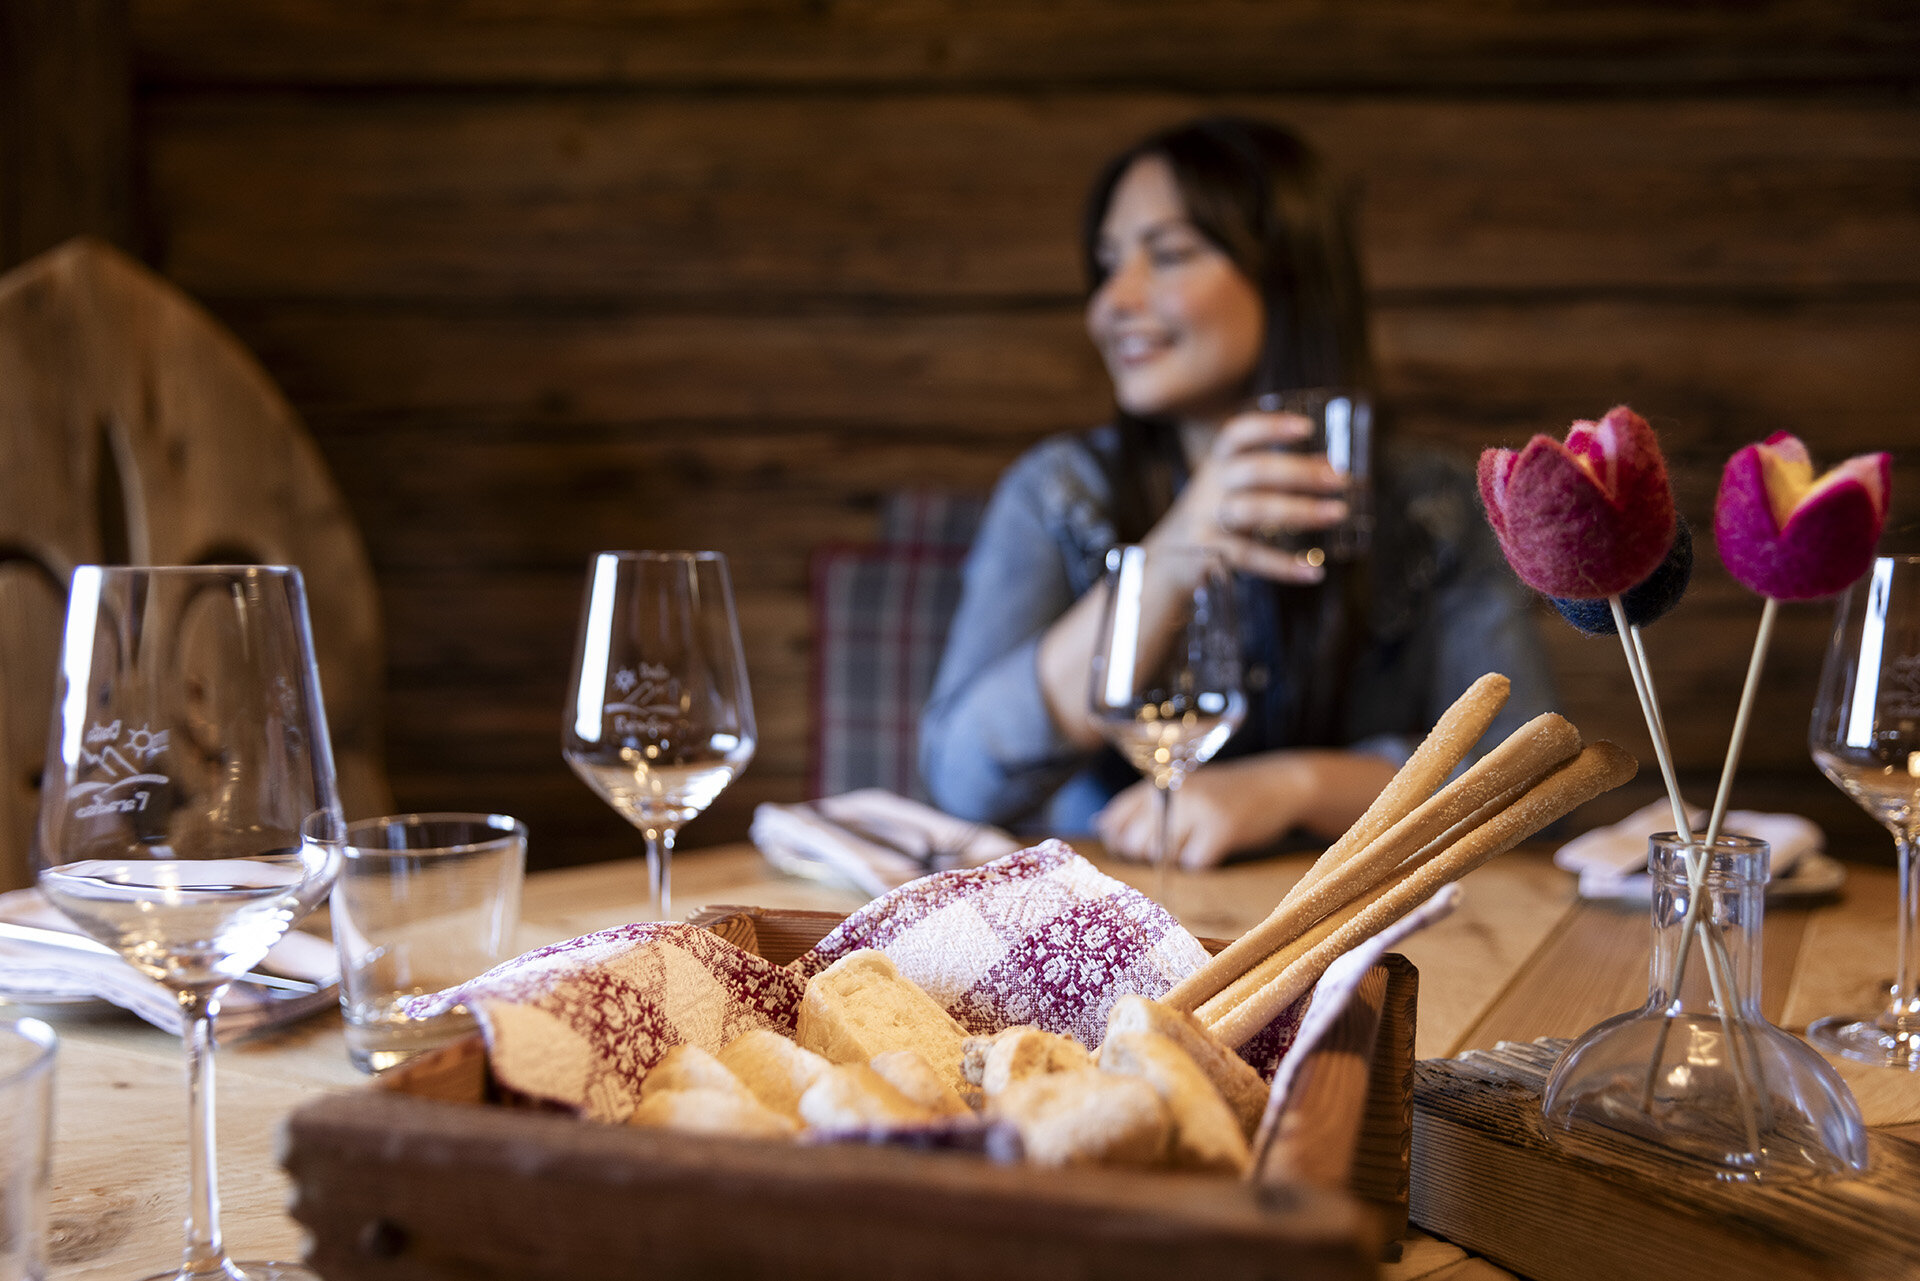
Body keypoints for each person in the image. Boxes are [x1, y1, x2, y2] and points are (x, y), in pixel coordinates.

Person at [917, 116, 1557, 870]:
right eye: (1108, 264)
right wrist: (1172, 551)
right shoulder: (1059, 491)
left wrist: (1293, 786)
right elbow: (959, 782)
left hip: (1369, 934)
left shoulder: (1437, 504)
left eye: (1169, 254)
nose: (1110, 303)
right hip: (1119, 934)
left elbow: (1527, 784)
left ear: (1288, 276)